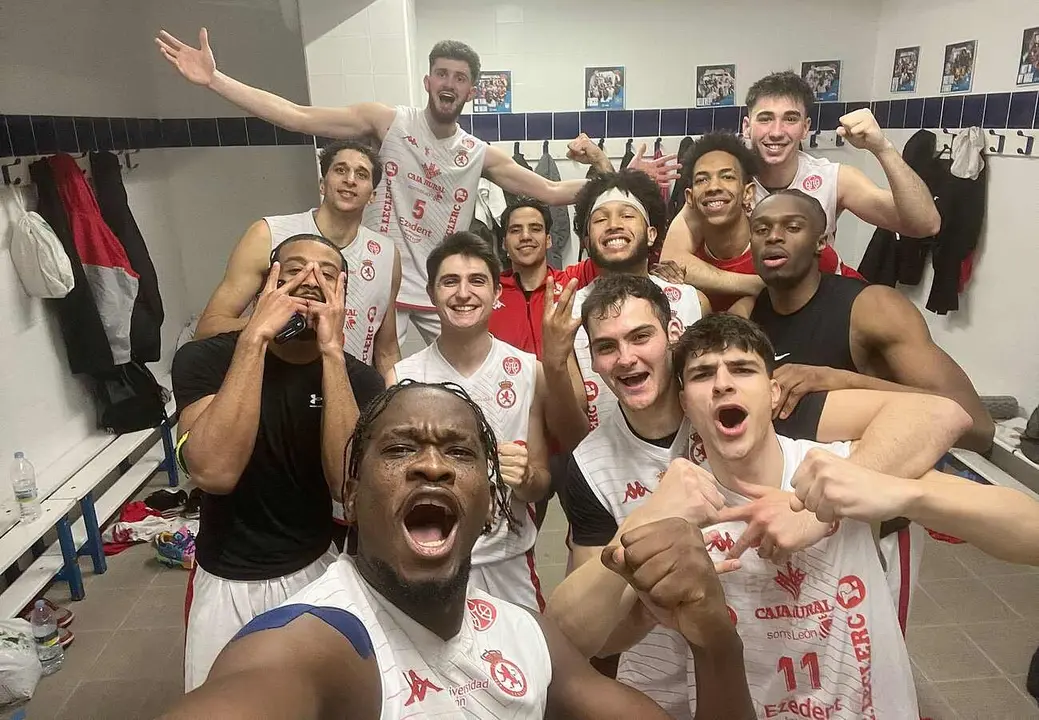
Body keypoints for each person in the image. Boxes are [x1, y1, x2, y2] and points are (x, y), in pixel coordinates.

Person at [159, 381, 757, 720]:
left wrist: (714, 639)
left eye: (461, 453)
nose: (431, 465)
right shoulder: (319, 643)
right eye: (398, 450)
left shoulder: (522, 633)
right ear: (351, 491)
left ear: (492, 504)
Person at [546, 277, 971, 717]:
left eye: (640, 336)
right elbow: (578, 632)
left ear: (671, 336)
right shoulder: (590, 464)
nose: (627, 358)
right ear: (592, 360)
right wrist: (650, 522)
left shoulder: (748, 404)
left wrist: (817, 510)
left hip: (795, 667)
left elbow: (938, 414)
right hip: (673, 686)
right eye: (607, 346)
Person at [156, 30, 678, 347]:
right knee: (361, 384)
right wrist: (216, 81)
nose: (449, 84)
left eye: (460, 77)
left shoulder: (477, 154)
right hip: (372, 284)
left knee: (458, 390)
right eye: (441, 74)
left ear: (472, 90)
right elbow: (296, 117)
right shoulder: (387, 123)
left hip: (436, 297)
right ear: (428, 80)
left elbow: (550, 190)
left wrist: (624, 176)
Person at [665, 313, 968, 717]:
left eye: (742, 369)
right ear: (685, 403)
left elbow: (945, 413)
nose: (723, 383)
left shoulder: (832, 464)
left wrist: (816, 512)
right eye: (703, 374)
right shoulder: (677, 505)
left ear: (774, 394)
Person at [171, 234, 386, 691]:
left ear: (342, 293)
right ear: (269, 282)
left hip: (318, 569)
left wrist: (332, 352)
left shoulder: (359, 379)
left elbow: (345, 488)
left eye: (327, 274)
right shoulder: (205, 358)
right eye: (293, 270)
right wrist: (255, 338)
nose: (310, 280)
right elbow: (213, 471)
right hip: (226, 579)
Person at [387, 232, 573, 611]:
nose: (463, 293)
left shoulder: (525, 371)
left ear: (496, 293)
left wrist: (524, 478)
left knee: (524, 668)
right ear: (431, 292)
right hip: (432, 561)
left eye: (476, 281)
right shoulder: (403, 377)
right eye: (450, 281)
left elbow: (539, 483)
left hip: (508, 564)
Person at [737, 189, 993, 452]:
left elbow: (977, 425)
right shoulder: (746, 313)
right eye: (761, 229)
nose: (774, 237)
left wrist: (843, 381)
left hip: (858, 474)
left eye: (792, 227)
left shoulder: (873, 308)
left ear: (820, 242)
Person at [660, 70, 940, 303]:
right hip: (753, 310)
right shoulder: (725, 184)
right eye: (765, 118)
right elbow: (672, 257)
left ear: (805, 128)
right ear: (747, 126)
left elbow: (924, 224)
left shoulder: (834, 179)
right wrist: (760, 286)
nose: (777, 131)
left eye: (790, 119)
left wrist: (883, 148)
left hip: (818, 306)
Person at [193, 140, 402, 377]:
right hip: (275, 388)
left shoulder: (386, 254)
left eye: (361, 174)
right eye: (340, 170)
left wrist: (398, 402)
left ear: (372, 196)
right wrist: (274, 318)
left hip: (350, 393)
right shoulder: (268, 234)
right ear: (323, 184)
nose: (350, 180)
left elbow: (386, 351)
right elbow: (208, 328)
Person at [542, 170, 711, 446]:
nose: (613, 225)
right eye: (600, 219)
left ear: (652, 234)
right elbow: (571, 436)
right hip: (611, 473)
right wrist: (553, 363)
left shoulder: (693, 301)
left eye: (627, 215)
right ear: (586, 241)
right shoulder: (569, 318)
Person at [667, 132, 862, 312]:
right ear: (690, 197)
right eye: (702, 180)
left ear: (748, 192)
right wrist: (760, 286)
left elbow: (862, 297)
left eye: (727, 177)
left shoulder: (788, 244)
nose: (714, 187)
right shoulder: (683, 260)